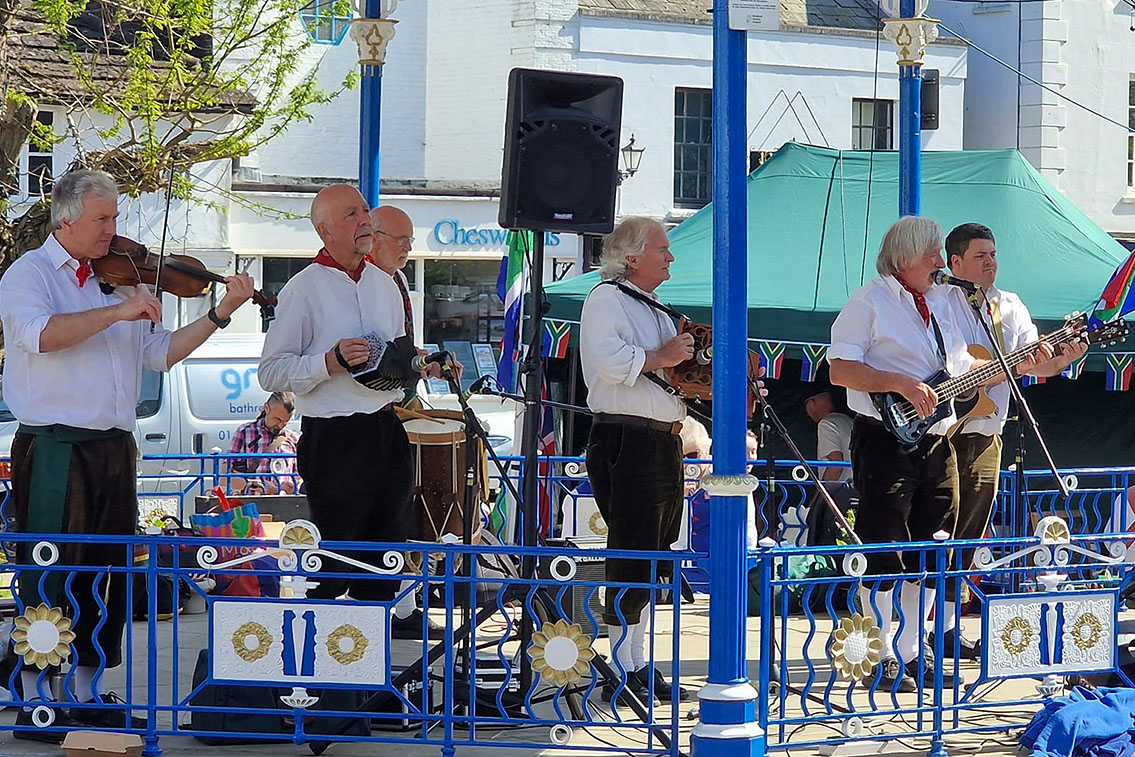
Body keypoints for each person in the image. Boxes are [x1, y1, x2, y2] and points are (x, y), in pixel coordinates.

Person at [0, 168, 255, 739]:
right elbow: (38, 335)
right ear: (65, 219)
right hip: (56, 444)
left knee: (106, 573)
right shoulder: (30, 273)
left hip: (115, 446)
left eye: (115, 219)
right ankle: (38, 696)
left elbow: (160, 355)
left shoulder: (116, 281)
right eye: (102, 220)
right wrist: (117, 312)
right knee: (51, 572)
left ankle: (88, 688)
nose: (114, 232)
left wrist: (218, 315)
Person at [827, 216, 1048, 691]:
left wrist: (1017, 364)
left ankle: (910, 652)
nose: (937, 262)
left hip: (937, 439)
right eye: (931, 254)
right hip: (885, 437)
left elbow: (962, 371)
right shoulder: (869, 300)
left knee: (934, 547)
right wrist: (898, 383)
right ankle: (876, 653)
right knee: (883, 545)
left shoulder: (944, 303)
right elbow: (840, 369)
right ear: (904, 258)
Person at [259, 184, 455, 641]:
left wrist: (425, 363)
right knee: (340, 555)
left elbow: (389, 355)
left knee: (387, 548)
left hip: (385, 426)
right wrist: (327, 362)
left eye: (366, 211)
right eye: (352, 214)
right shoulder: (302, 289)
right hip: (333, 436)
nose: (365, 220)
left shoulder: (384, 283)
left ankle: (373, 663)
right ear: (325, 229)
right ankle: (330, 666)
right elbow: (270, 372)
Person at [938, 222, 1085, 658]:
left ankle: (944, 631)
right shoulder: (940, 303)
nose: (990, 263)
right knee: (936, 531)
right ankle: (906, 640)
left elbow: (1034, 364)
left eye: (994, 254)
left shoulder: (1010, 306)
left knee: (967, 537)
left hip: (986, 432)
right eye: (980, 256)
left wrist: (1061, 358)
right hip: (939, 432)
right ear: (955, 263)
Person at [580, 216, 692, 703]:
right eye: (662, 249)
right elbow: (609, 361)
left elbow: (667, 368)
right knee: (632, 554)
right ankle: (626, 669)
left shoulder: (652, 305)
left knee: (652, 556)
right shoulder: (606, 298)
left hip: (659, 440)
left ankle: (638, 663)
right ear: (632, 257)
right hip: (628, 438)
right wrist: (664, 354)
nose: (670, 257)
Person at [228, 391, 300, 495]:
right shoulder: (244, 432)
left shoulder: (293, 439)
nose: (280, 425)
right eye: (277, 419)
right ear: (266, 407)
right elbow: (225, 475)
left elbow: (300, 477)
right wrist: (256, 486)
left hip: (285, 504)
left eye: (285, 422)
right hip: (253, 502)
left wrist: (290, 487)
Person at [804, 383, 853, 483]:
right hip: (858, 487)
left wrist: (821, 494)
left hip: (841, 491)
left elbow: (835, 464)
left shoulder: (826, 424)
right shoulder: (849, 420)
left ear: (811, 404)